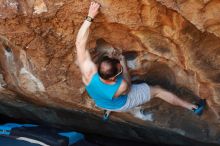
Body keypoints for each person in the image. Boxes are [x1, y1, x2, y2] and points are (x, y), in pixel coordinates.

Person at [75, 1, 205, 118]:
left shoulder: (88, 74)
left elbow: (80, 43)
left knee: (106, 98)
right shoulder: (122, 86)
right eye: (119, 70)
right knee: (158, 90)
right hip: (122, 103)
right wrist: (123, 64)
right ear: (115, 77)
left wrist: (90, 16)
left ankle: (107, 110)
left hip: (101, 101)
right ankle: (193, 108)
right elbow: (128, 84)